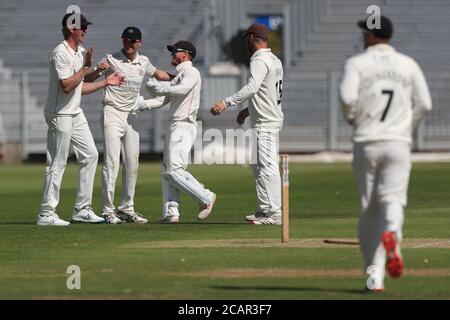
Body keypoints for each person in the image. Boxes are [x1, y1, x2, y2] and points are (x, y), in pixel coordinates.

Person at [340, 15, 432, 291]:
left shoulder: (356, 63)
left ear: (369, 36)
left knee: (369, 209)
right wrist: (407, 125)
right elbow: (425, 104)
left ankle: (374, 278)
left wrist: (353, 116)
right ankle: (392, 230)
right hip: (398, 142)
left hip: (367, 141)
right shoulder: (408, 64)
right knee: (392, 201)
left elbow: (346, 99)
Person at [36, 13, 124, 226]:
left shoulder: (80, 52)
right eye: (81, 27)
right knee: (57, 162)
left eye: (86, 27)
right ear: (69, 29)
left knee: (91, 155)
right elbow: (66, 86)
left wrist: (102, 77)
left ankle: (82, 209)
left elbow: (81, 86)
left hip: (74, 112)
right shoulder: (61, 53)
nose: (85, 30)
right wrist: (85, 68)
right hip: (60, 113)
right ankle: (46, 213)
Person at [95, 27, 172, 224]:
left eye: (132, 40)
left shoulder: (143, 62)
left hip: (131, 115)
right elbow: (88, 78)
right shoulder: (111, 59)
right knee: (112, 162)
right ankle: (107, 209)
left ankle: (126, 208)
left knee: (132, 163)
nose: (128, 44)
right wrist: (97, 70)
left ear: (139, 43)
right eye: (126, 40)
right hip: (112, 112)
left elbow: (159, 74)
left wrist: (178, 77)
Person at [210, 23, 284, 225]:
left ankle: (275, 213)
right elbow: (266, 92)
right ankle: (264, 209)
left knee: (267, 166)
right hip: (265, 118)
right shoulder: (275, 59)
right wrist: (247, 110)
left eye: (246, 38)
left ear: (252, 38)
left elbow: (252, 87)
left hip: (266, 123)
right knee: (257, 166)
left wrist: (226, 103)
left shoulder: (259, 59)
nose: (245, 42)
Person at [134, 40, 216, 224]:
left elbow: (183, 89)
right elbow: (163, 100)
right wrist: (139, 104)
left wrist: (163, 86)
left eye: (175, 52)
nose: (171, 54)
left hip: (184, 124)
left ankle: (206, 197)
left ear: (186, 55)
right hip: (175, 125)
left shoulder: (191, 72)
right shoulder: (179, 76)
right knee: (167, 170)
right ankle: (171, 212)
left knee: (174, 171)